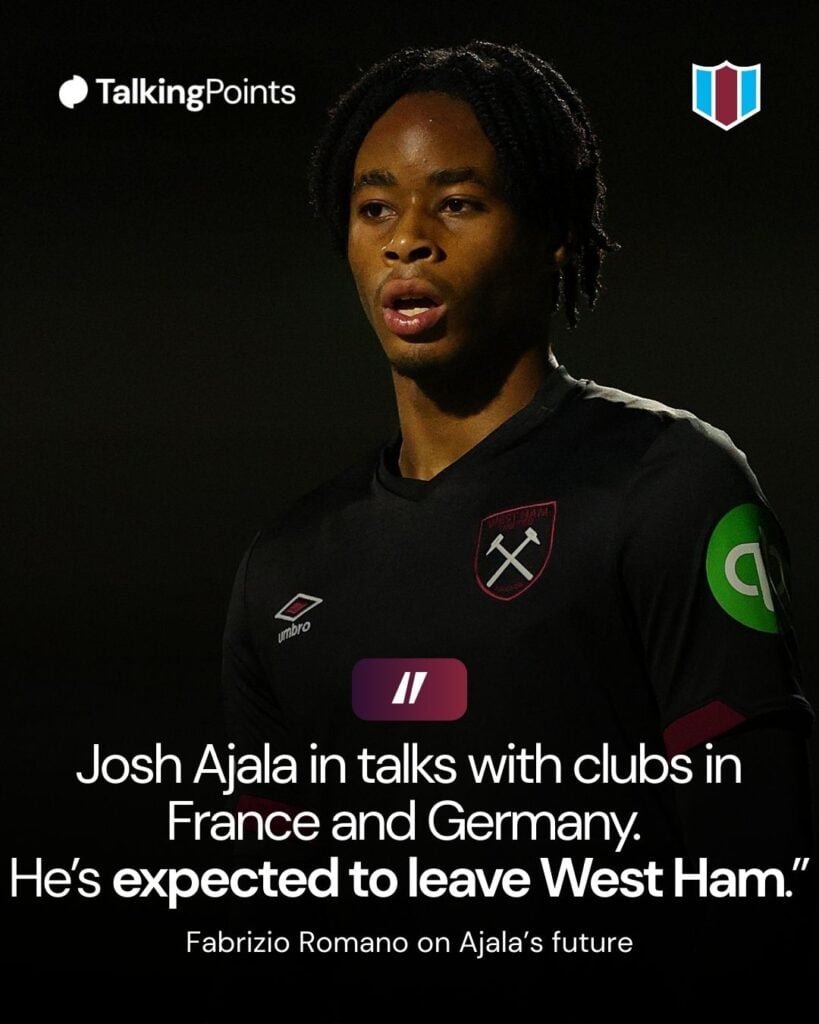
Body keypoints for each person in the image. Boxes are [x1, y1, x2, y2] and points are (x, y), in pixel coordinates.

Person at [222, 42, 814, 1021]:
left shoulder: (670, 483)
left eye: (456, 202)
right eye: (377, 209)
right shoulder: (286, 563)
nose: (408, 239)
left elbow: (756, 885)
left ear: (555, 235)